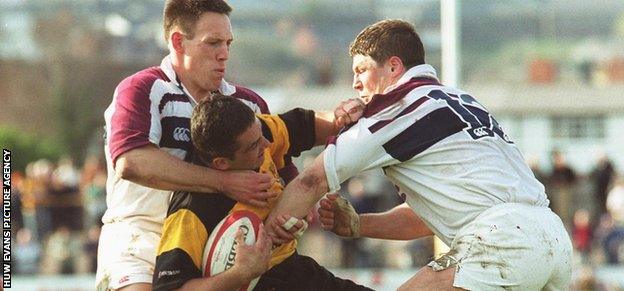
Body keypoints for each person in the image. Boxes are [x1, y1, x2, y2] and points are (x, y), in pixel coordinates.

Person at [265, 19, 573, 290]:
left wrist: (264, 241)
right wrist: (359, 224)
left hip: (504, 241)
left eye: (361, 70)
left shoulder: (396, 108)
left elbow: (312, 181)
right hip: (554, 242)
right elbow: (427, 218)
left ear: (394, 67)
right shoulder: (463, 99)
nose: (355, 82)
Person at [97, 1, 278, 290]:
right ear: (178, 42)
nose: (224, 54)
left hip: (214, 246)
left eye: (228, 43)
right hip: (139, 241)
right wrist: (223, 182)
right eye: (213, 43)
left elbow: (280, 174)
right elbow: (132, 163)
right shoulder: (143, 89)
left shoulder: (248, 104)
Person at [153, 96, 371, 291]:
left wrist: (346, 115)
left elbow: (315, 125)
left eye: (261, 133)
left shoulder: (255, 132)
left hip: (294, 271)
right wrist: (241, 273)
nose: (267, 144)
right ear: (222, 163)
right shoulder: (190, 213)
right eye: (255, 146)